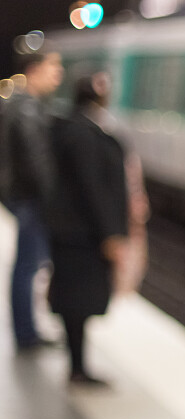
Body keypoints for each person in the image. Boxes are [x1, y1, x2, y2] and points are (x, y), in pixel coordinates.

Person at [45, 72, 130, 386]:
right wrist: (110, 233)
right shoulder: (83, 133)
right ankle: (78, 368)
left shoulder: (75, 127)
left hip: (73, 232)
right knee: (78, 301)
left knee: (74, 300)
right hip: (81, 235)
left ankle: (78, 364)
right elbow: (91, 187)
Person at [0, 50, 63, 351]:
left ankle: (27, 330)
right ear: (35, 69)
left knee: (26, 265)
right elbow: (36, 161)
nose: (58, 73)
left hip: (21, 196)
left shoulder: (24, 105)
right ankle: (26, 334)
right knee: (26, 267)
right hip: (29, 198)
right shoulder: (26, 108)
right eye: (54, 66)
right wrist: (54, 200)